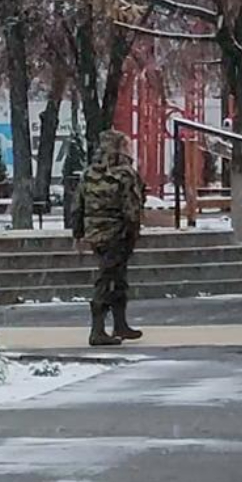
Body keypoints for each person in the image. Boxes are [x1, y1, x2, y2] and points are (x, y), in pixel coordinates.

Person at [76, 129, 146, 346]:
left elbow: (77, 205)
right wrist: (134, 231)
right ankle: (98, 330)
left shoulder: (89, 173)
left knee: (115, 277)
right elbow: (132, 208)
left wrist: (78, 234)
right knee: (109, 279)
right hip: (118, 233)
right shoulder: (125, 174)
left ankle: (120, 325)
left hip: (95, 233)